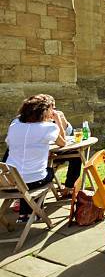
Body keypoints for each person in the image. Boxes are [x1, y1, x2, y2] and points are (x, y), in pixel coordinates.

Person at [6, 94, 66, 222]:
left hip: (9, 181)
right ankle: (36, 212)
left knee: (23, 174)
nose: (53, 112)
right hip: (33, 181)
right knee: (49, 170)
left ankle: (24, 214)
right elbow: (62, 143)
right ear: (45, 110)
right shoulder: (48, 127)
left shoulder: (14, 124)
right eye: (51, 109)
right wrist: (58, 121)